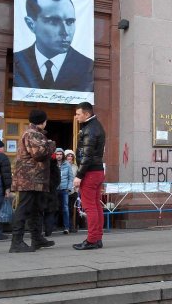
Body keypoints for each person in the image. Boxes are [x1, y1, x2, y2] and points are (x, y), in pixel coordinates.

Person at [13, 0, 93, 92]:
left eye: (70, 22)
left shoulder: (86, 66)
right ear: (31, 24)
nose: (65, 32)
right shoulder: (19, 60)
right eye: (54, 22)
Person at [9, 110, 56, 253]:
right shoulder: (33, 133)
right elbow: (39, 154)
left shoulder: (32, 133)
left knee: (36, 209)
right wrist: (51, 144)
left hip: (33, 179)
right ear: (42, 121)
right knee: (23, 209)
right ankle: (16, 242)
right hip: (29, 179)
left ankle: (37, 238)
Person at [72, 101, 106, 250]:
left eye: (78, 114)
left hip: (90, 172)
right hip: (97, 171)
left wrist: (79, 175)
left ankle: (92, 240)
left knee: (90, 206)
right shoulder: (95, 126)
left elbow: (86, 155)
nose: (76, 116)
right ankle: (97, 238)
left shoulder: (90, 129)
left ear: (86, 114)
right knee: (96, 206)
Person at [55, 148, 73, 234]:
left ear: (63, 155)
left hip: (64, 189)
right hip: (54, 189)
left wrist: (69, 187)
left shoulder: (67, 165)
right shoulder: (52, 164)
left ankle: (66, 227)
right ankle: (52, 227)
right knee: (54, 208)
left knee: (65, 208)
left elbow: (71, 178)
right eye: (57, 154)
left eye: (60, 154)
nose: (59, 156)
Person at [65, 149, 80, 233]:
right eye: (68, 156)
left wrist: (76, 189)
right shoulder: (62, 166)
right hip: (63, 189)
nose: (70, 157)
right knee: (63, 209)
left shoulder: (75, 167)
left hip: (73, 190)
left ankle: (71, 226)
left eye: (71, 156)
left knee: (71, 209)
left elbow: (77, 177)